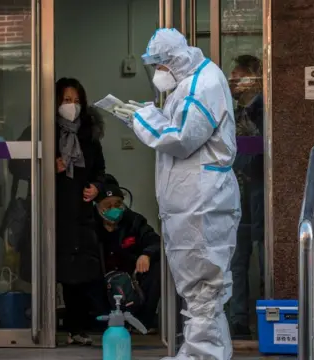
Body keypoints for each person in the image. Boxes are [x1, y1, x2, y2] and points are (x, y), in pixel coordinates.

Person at [112, 28, 241, 360]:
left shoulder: (203, 84)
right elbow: (177, 128)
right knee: (202, 288)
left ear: (175, 60)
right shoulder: (188, 83)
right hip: (193, 201)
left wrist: (143, 118)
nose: (158, 73)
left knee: (203, 288)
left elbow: (183, 138)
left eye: (160, 65)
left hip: (201, 202)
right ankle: (207, 353)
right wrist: (142, 118)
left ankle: (202, 355)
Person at [9, 78, 107, 345]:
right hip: (48, 212)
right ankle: (41, 327)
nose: (71, 106)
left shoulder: (90, 136)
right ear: (55, 103)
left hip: (78, 214)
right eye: (66, 101)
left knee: (77, 277)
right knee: (46, 271)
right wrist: (47, 167)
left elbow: (100, 171)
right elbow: (15, 166)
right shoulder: (39, 131)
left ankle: (77, 330)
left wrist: (96, 188)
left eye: (76, 101)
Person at [228, 54, 264, 339]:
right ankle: (238, 320)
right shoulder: (234, 110)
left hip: (261, 189)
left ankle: (266, 314)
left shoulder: (264, 108)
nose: (233, 81)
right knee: (237, 260)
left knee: (264, 255)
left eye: (238, 75)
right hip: (237, 192)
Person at [94, 181, 161, 332]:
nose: (114, 209)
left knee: (157, 268)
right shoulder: (90, 224)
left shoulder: (134, 221)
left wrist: (146, 254)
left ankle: (143, 321)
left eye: (117, 204)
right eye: (108, 205)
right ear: (98, 207)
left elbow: (154, 241)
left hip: (132, 279)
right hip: (101, 280)